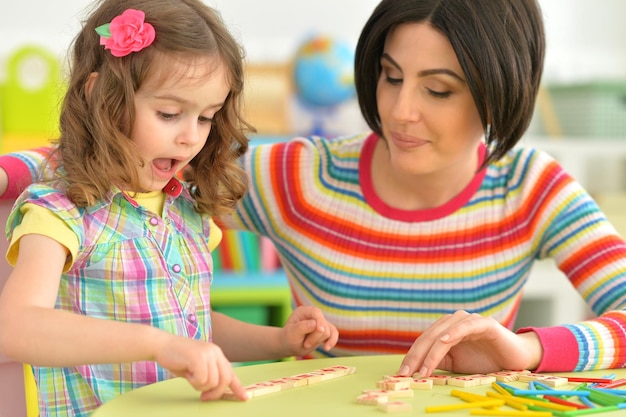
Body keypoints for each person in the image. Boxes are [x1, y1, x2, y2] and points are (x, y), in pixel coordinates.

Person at [1, 0, 625, 382]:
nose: (399, 111)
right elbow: (122, 157)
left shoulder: (533, 189)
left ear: (501, 91)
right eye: (389, 76)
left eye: (438, 90)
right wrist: (12, 172)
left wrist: (527, 350)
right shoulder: (302, 178)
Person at [0, 0, 339, 415]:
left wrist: (278, 342)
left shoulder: (186, 210)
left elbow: (191, 329)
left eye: (206, 117)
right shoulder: (60, 212)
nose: (190, 138)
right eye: (170, 113)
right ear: (100, 98)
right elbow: (15, 327)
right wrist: (157, 345)